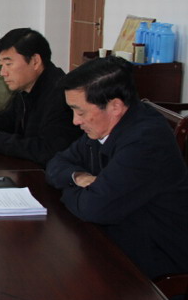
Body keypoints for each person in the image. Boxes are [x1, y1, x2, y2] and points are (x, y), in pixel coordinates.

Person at [46, 57, 188, 282]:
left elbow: (94, 208)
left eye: (80, 112)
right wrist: (79, 177)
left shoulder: (146, 141)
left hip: (153, 266)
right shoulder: (103, 127)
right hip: (117, 242)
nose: (75, 121)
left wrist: (69, 187)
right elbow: (56, 163)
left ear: (115, 106)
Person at [0, 28, 81, 166]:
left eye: (8, 64)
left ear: (35, 61)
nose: (3, 73)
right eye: (1, 65)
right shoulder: (26, 87)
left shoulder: (61, 94)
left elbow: (48, 150)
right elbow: (10, 118)